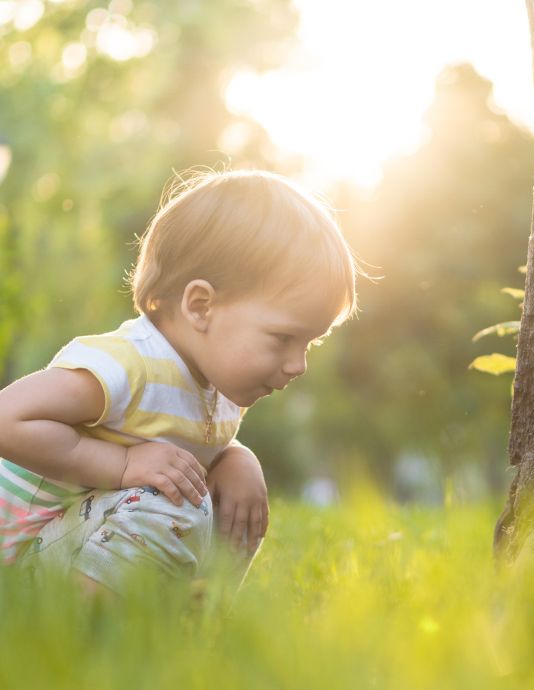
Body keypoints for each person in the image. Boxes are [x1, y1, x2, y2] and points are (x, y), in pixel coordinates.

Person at [0, 169, 358, 597]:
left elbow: (179, 447)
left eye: (310, 344)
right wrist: (124, 466)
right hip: (18, 556)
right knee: (169, 502)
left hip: (66, 546)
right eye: (284, 338)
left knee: (223, 495)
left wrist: (235, 460)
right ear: (201, 306)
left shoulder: (215, 387)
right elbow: (7, 418)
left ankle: (190, 620)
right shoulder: (128, 363)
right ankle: (88, 630)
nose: (298, 365)